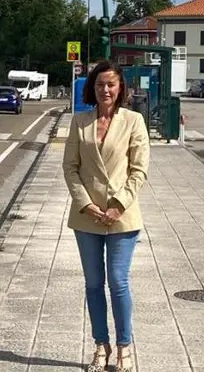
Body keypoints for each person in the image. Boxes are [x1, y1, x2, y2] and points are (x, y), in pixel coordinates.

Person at [61, 60, 150, 372]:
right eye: (100, 84)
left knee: (118, 281)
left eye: (111, 84)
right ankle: (101, 345)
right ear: (92, 88)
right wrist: (85, 203)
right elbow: (70, 167)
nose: (105, 90)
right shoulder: (80, 121)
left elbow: (139, 170)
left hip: (121, 216)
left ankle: (125, 345)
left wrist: (118, 205)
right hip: (87, 216)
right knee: (93, 284)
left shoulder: (133, 121)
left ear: (120, 87)